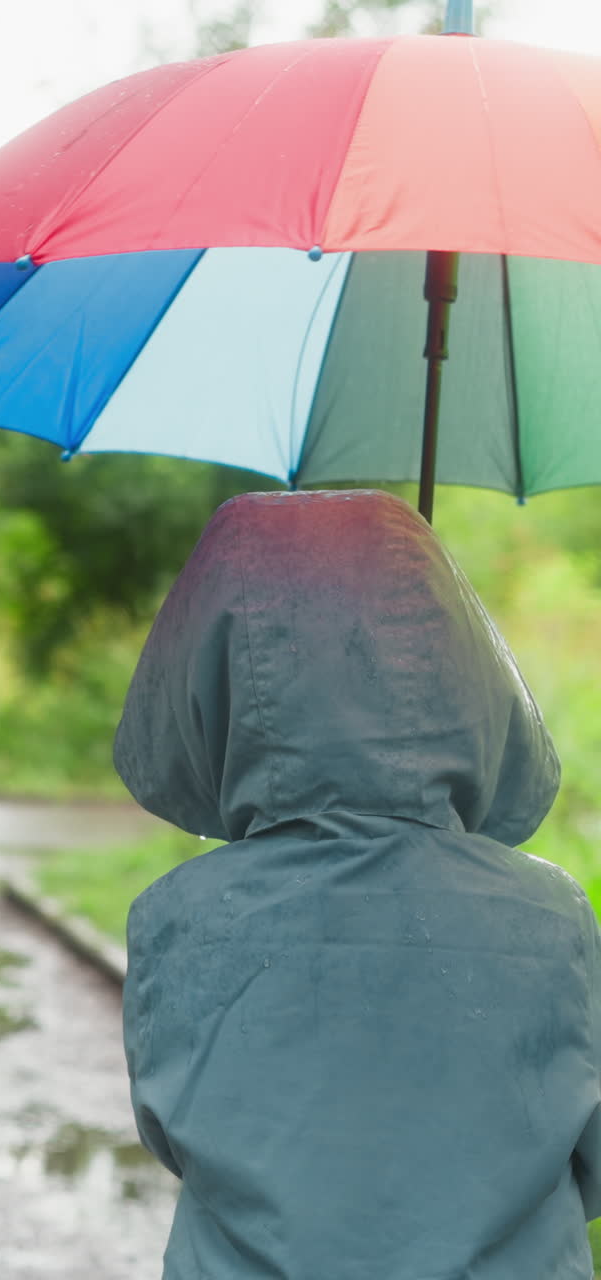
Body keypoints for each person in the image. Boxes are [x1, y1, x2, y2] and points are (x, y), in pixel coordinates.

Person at [115, 489, 601, 1280]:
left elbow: (175, 1141)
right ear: (460, 674)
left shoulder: (175, 919)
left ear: (207, 679)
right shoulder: (553, 918)